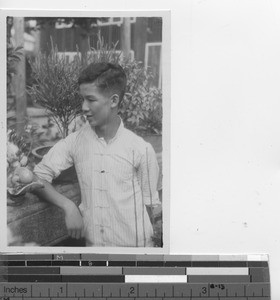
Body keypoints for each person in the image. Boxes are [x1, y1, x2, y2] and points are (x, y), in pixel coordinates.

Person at [33, 62, 161, 247]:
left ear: (114, 101)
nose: (84, 107)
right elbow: (38, 177)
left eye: (91, 100)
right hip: (95, 253)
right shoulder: (75, 141)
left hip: (135, 250)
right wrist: (68, 206)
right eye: (82, 99)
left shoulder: (141, 149)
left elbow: (150, 208)